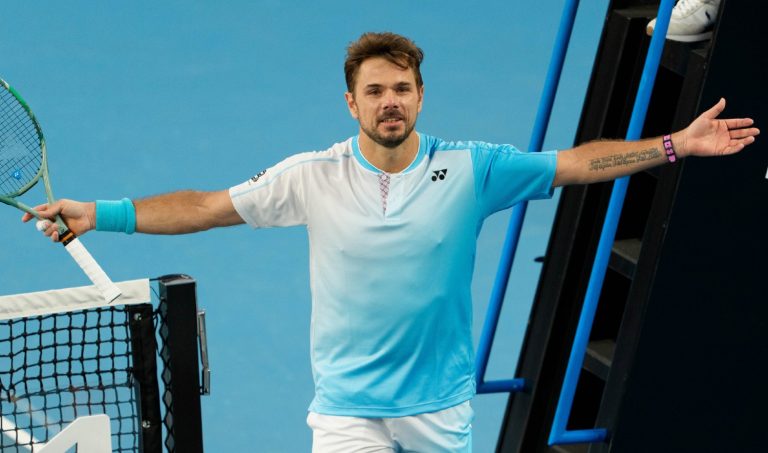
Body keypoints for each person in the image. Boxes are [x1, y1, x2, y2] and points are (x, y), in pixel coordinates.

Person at [25, 32, 758, 452]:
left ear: (420, 95)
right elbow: (208, 207)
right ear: (351, 102)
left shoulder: (472, 169)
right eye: (375, 91)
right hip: (347, 408)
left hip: (440, 408)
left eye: (402, 88)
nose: (390, 102)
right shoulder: (311, 176)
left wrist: (675, 144)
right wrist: (101, 212)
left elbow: (575, 163)